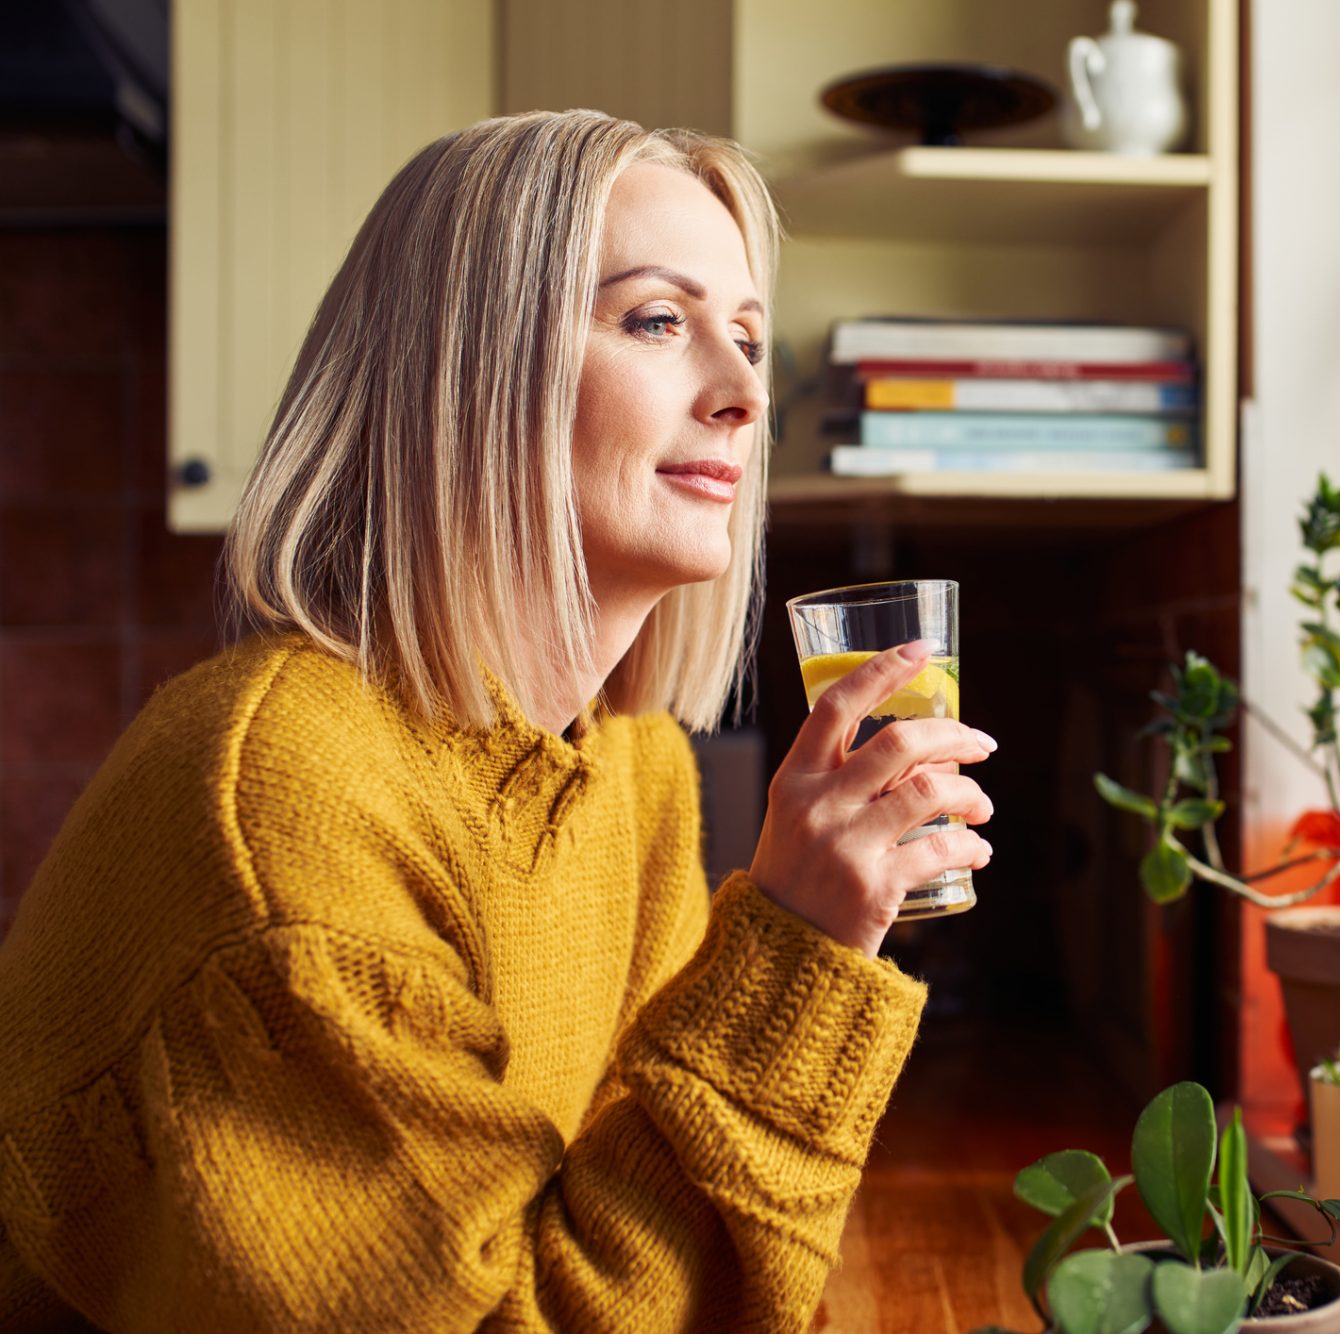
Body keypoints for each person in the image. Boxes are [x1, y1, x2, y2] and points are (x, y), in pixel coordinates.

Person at [0, 109, 995, 1331]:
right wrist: (790, 948)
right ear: (465, 366)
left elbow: (646, 1230)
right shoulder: (283, 798)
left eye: (745, 334)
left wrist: (816, 947)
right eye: (656, 321)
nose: (745, 393)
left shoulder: (632, 766)